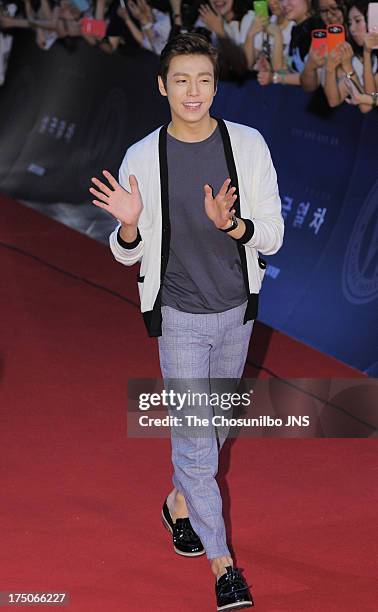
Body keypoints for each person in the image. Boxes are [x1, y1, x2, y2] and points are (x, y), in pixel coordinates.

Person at [89, 32, 284, 610]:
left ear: (215, 85)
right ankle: (224, 566)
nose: (192, 91)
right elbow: (126, 251)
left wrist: (236, 227)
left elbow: (273, 232)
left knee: (216, 429)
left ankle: (179, 502)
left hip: (236, 313)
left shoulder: (247, 147)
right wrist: (128, 227)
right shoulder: (142, 157)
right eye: (181, 80)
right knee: (197, 443)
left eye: (203, 79)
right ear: (162, 87)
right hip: (177, 315)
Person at [323, 0, 378, 112]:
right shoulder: (353, 55)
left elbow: (366, 106)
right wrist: (330, 69)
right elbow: (333, 101)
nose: (352, 29)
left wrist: (366, 54)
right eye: (350, 23)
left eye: (357, 21)